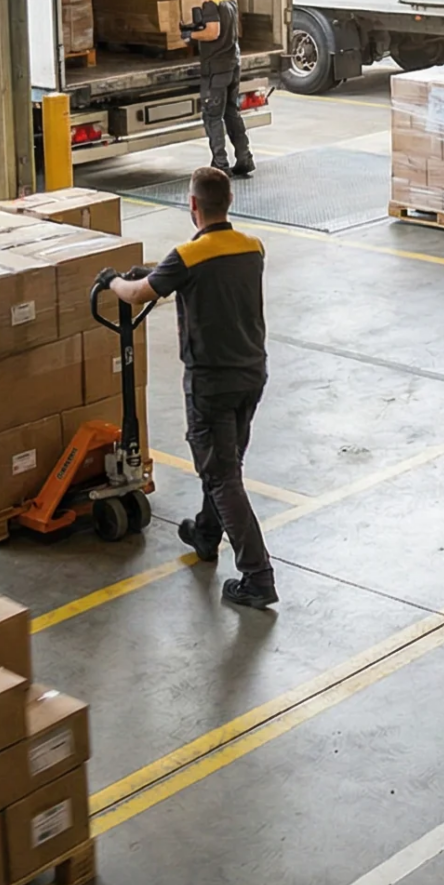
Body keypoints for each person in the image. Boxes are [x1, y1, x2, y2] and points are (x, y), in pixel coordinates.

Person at [110, 166, 274, 608]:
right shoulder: (251, 247)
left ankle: (257, 576)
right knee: (224, 461)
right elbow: (196, 274)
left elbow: (138, 294)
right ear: (229, 203)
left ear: (193, 205)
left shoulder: (187, 256)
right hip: (251, 374)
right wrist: (161, 270)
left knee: (221, 475)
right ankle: (205, 533)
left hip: (211, 382)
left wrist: (111, 281)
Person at [189, 0, 254, 179]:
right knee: (232, 112)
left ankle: (220, 164)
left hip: (215, 68)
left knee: (213, 116)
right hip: (232, 64)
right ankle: (244, 158)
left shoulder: (210, 3)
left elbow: (212, 32)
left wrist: (190, 35)